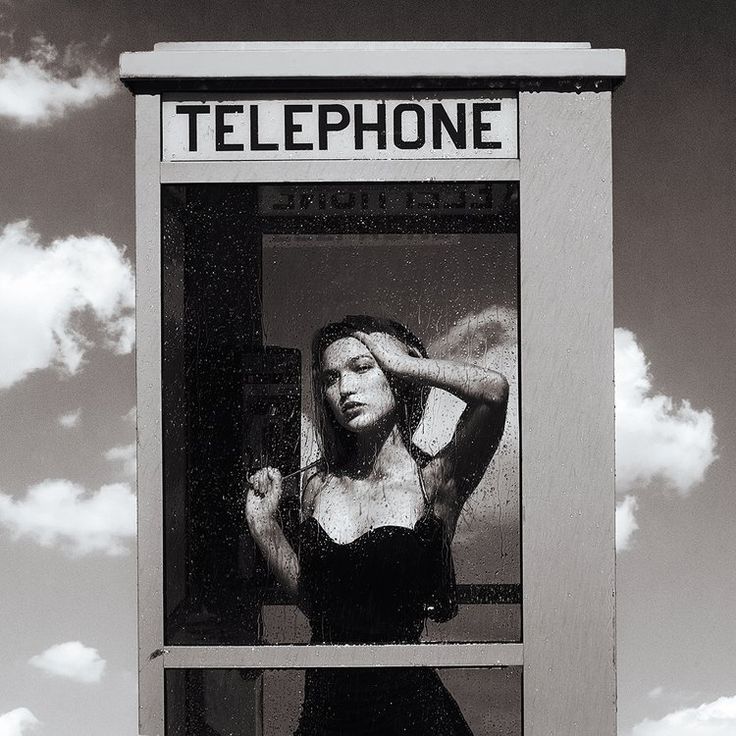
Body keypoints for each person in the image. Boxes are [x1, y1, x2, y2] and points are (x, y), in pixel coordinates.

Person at [246, 315, 509, 735]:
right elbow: (319, 606)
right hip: (327, 715)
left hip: (414, 718)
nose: (344, 389)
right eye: (330, 378)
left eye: (362, 368)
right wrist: (265, 528)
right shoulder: (317, 485)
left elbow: (493, 392)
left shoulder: (435, 480)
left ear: (396, 373)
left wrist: (403, 363)